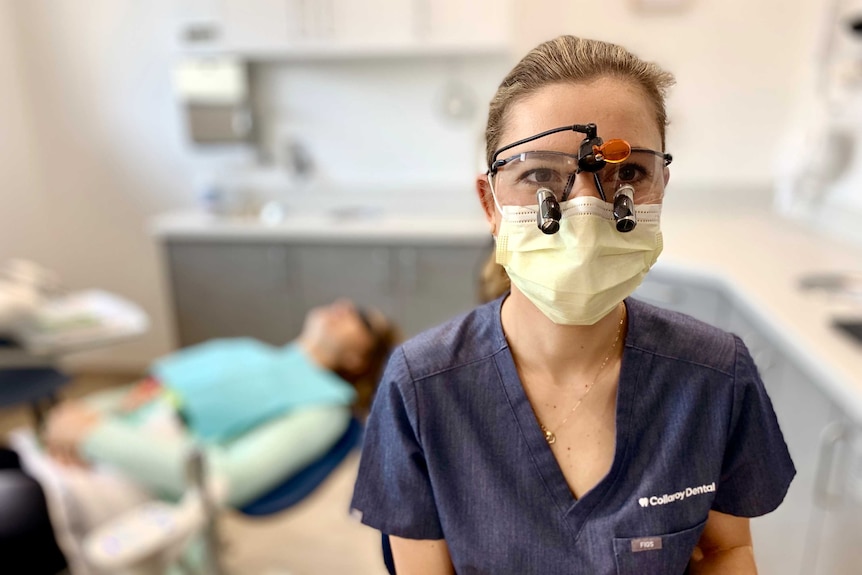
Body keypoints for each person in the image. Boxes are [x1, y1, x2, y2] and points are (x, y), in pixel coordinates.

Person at [350, 36, 795, 574]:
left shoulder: (713, 377)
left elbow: (726, 550)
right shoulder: (421, 388)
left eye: (627, 173)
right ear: (490, 203)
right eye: (539, 174)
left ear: (661, 186)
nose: (585, 210)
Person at [9, 299, 396, 573]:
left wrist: (94, 434)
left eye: (362, 318)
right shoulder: (246, 352)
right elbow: (148, 392)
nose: (347, 304)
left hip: (104, 484)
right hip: (58, 449)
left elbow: (225, 479)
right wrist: (71, 417)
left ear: (358, 360)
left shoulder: (322, 409)